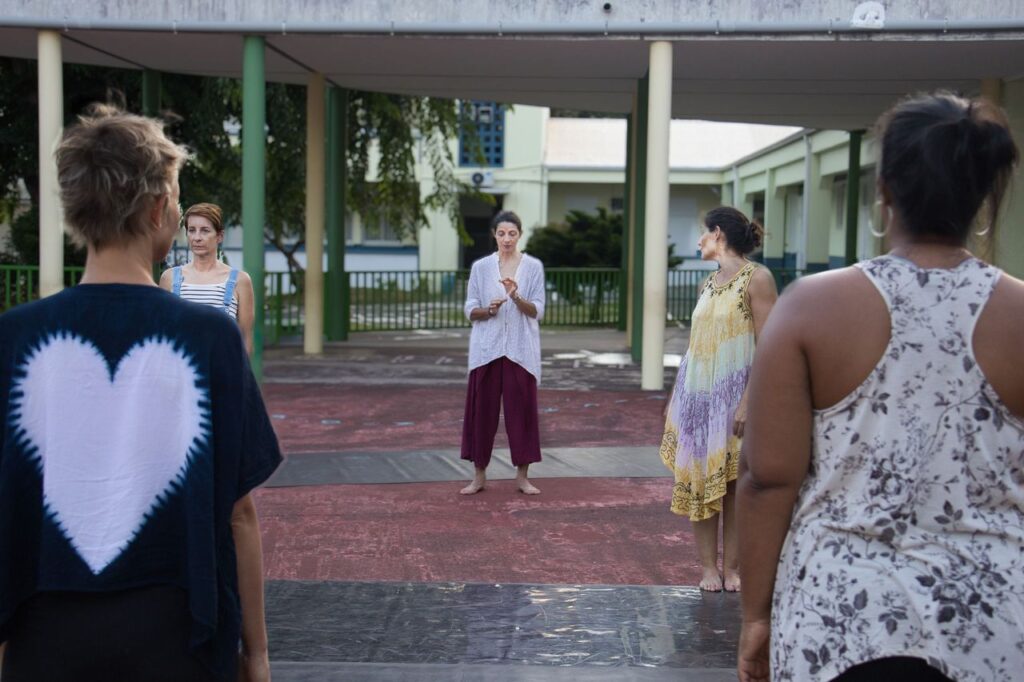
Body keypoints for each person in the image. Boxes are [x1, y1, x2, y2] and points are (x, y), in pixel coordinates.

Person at [736, 91, 1022, 682]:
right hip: (993, 624)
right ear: (982, 193)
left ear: (885, 189)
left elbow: (767, 478)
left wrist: (756, 617)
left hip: (838, 618)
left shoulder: (811, 307)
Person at [0, 105, 282, 682]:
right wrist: (256, 654)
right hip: (177, 634)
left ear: (76, 212)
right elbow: (239, 513)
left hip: (41, 631)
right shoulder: (208, 338)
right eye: (176, 199)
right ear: (158, 209)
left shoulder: (15, 338)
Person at [660, 207, 777, 592]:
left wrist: (748, 402)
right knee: (700, 483)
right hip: (699, 399)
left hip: (736, 402)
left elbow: (769, 347)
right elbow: (694, 347)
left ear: (719, 235)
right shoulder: (707, 284)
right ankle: (709, 568)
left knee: (733, 487)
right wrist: (677, 398)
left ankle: (733, 569)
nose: (698, 241)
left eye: (703, 233)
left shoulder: (757, 279)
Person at [460, 210, 546, 495]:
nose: (506, 239)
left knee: (521, 414)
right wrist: (489, 310)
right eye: (501, 233)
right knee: (480, 414)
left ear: (519, 235)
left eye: (512, 233)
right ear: (494, 235)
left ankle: (522, 477)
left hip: (520, 351)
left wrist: (516, 296)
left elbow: (537, 311)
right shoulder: (481, 268)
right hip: (487, 349)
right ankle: (479, 476)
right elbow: (470, 309)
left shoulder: (533, 267)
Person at [160, 202, 256, 357]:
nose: (197, 237)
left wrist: (239, 378)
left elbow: (245, 339)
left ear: (219, 236)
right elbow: (162, 334)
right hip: (181, 373)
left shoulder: (240, 280)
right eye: (192, 230)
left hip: (223, 372)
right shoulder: (169, 278)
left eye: (205, 231)